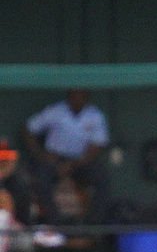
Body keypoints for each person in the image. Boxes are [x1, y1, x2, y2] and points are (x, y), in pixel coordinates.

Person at [22, 89, 111, 224]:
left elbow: (97, 145)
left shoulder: (95, 115)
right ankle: (55, 222)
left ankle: (92, 224)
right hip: (54, 158)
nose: (76, 99)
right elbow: (28, 129)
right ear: (68, 96)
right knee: (40, 178)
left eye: (81, 95)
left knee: (102, 178)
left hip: (81, 161)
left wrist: (73, 164)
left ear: (86, 97)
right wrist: (41, 155)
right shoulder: (56, 111)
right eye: (73, 95)